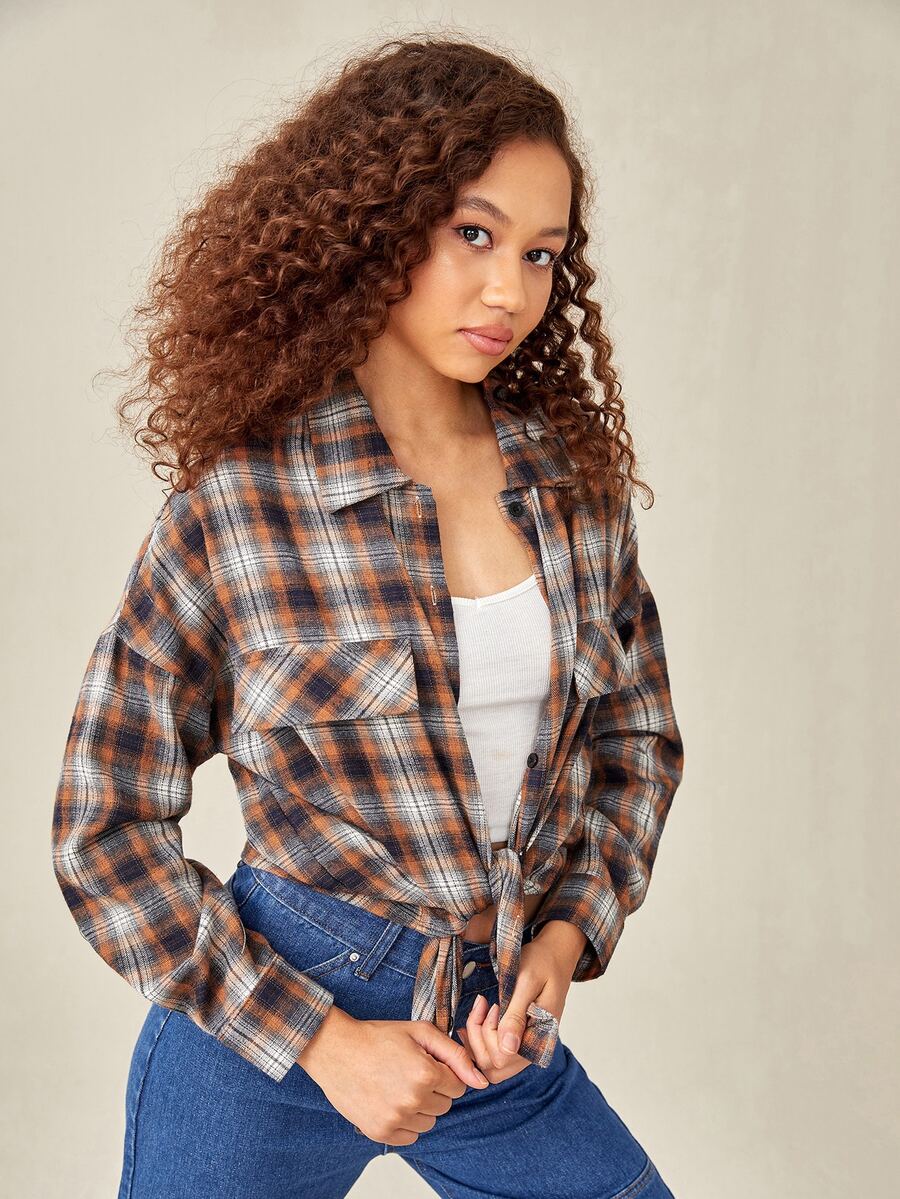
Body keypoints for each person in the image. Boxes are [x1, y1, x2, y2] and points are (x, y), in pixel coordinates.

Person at [52, 34, 685, 1199]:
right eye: (474, 234)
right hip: (268, 1026)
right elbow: (104, 829)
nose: (511, 291)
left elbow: (636, 743)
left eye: (541, 254)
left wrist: (561, 937)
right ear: (377, 227)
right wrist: (324, 1041)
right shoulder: (244, 504)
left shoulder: (572, 494)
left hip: (490, 1030)